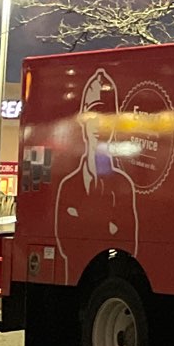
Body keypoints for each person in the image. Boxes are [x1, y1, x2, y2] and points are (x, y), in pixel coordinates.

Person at [54, 68, 139, 283]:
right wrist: (106, 229)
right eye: (95, 115)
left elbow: (129, 241)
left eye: (109, 116)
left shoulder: (123, 186)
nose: (101, 123)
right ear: (83, 122)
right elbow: (65, 242)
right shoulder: (68, 187)